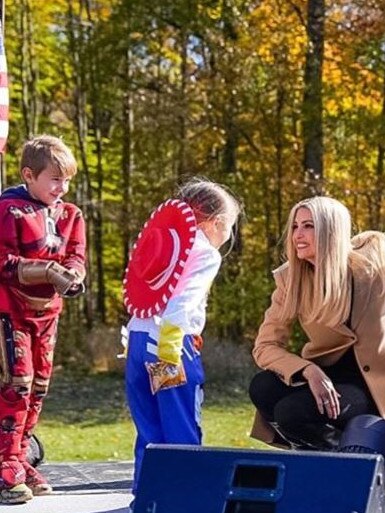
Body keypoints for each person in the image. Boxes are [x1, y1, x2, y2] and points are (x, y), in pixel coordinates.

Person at [122, 177, 241, 512]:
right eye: (228, 226)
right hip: (171, 345)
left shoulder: (162, 244)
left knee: (148, 428)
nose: (227, 236)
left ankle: (146, 499)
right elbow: (183, 303)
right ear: (215, 223)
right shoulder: (205, 253)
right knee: (181, 427)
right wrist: (169, 355)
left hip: (136, 340)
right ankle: (187, 500)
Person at [248, 196, 385, 452]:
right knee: (263, 387)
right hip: (327, 374)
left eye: (309, 226)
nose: (298, 235)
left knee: (292, 413)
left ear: (331, 231)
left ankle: (352, 459)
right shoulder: (290, 279)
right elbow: (265, 345)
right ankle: (328, 453)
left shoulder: (375, 265)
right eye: (295, 226)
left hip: (371, 381)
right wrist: (308, 370)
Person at [0, 135, 86, 504]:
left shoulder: (70, 215)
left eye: (66, 181)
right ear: (29, 175)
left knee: (39, 387)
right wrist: (48, 271)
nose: (61, 188)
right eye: (54, 179)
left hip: (47, 316)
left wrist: (73, 274)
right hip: (11, 312)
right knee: (17, 382)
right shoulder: (9, 210)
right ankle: (5, 461)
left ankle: (21, 454)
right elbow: (4, 262)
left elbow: (77, 255)